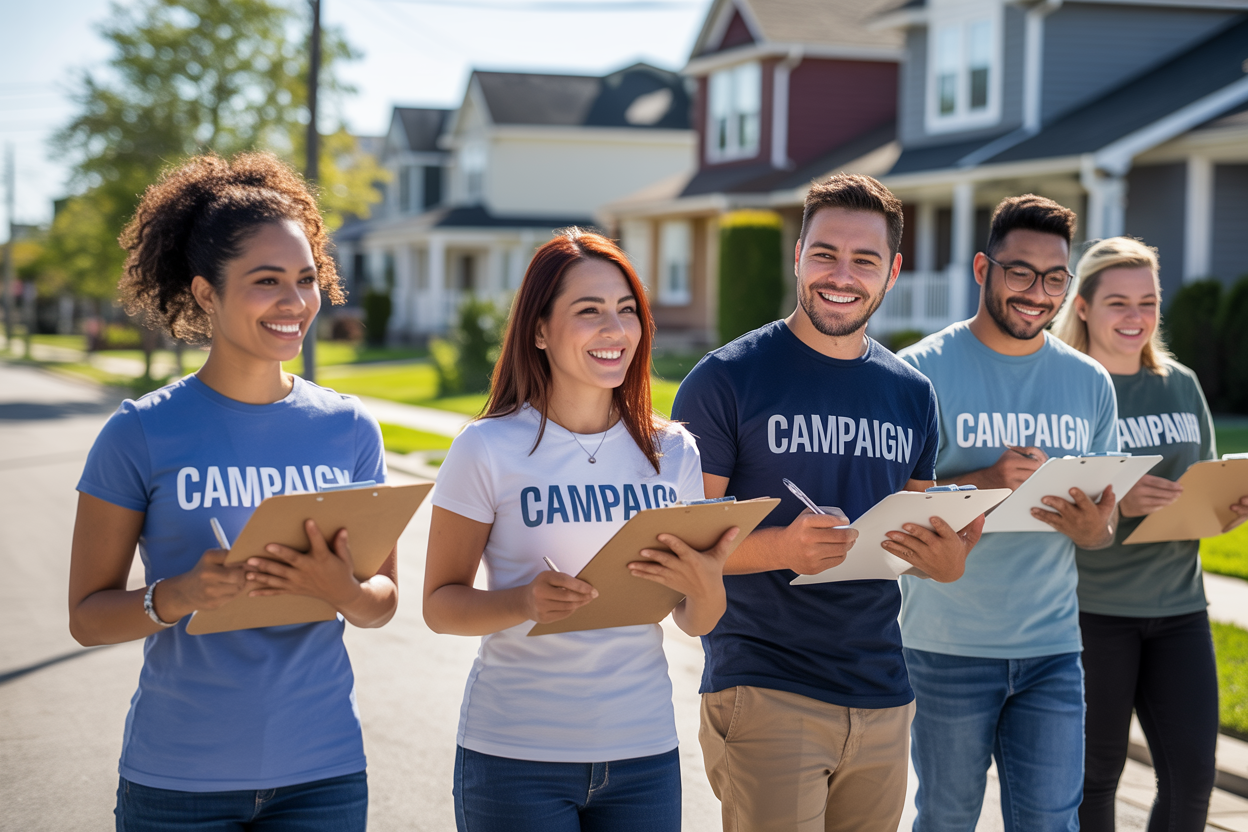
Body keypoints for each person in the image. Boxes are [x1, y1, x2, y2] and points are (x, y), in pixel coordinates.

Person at [68, 152, 397, 831]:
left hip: (323, 776)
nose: (295, 302)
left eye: (306, 279)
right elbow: (88, 615)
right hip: (178, 782)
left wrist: (341, 590)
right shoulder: (140, 433)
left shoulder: (350, 428)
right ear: (206, 293)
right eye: (267, 280)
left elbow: (382, 602)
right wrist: (178, 597)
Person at [672, 173, 983, 832]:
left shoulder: (912, 393)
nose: (842, 275)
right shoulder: (724, 381)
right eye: (825, 254)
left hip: (883, 693)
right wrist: (784, 547)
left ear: (893, 271)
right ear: (798, 255)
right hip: (764, 685)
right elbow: (681, 553)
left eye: (864, 259)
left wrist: (943, 561)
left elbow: (907, 536)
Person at [423, 228, 736, 832]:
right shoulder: (486, 448)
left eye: (626, 311)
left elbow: (694, 620)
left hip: (643, 754)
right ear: (539, 330)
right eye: (588, 311)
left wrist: (707, 584)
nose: (614, 330)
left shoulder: (672, 451)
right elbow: (440, 606)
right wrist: (523, 601)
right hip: (516, 756)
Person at [897, 195, 1121, 832]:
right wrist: (986, 481)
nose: (1037, 292)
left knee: (1053, 822)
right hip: (946, 648)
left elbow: (1103, 526)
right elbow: (893, 517)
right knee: (947, 818)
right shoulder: (920, 374)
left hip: (1052, 648)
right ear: (981, 269)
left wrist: (1091, 529)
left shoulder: (1089, 381)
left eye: (1054, 278)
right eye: (1019, 271)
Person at [1051, 236, 1248, 832]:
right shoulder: (1070, 389)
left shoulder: (1181, 384)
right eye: (1118, 302)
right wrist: (1121, 499)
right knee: (1096, 781)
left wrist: (1225, 508)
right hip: (1095, 612)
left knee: (1192, 783)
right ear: (1082, 306)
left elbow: (1202, 477)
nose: (1136, 317)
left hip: (1181, 610)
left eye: (1148, 301)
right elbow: (1049, 503)